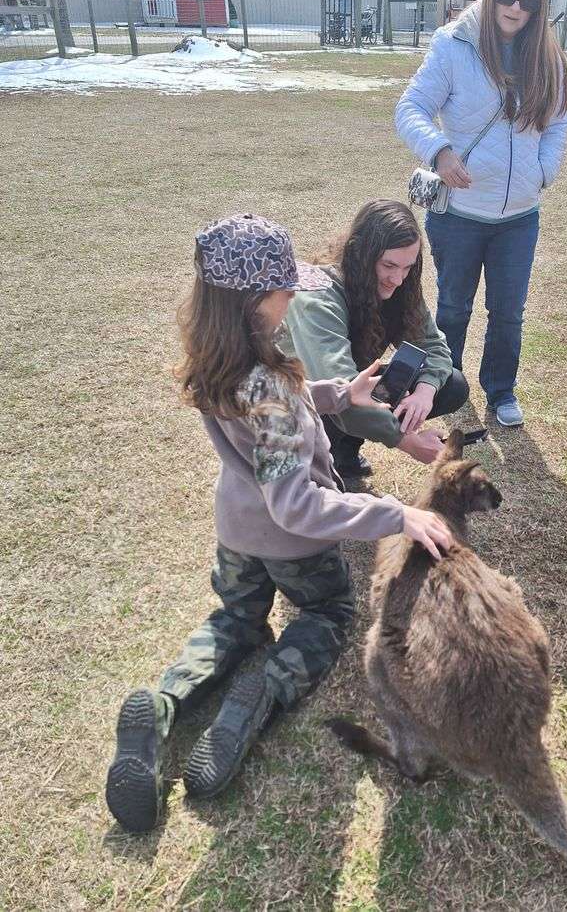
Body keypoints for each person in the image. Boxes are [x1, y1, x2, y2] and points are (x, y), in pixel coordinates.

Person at [105, 214, 451, 833]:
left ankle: (165, 702)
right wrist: (397, 512)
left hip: (235, 533)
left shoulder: (219, 360)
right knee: (328, 615)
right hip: (291, 544)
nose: (295, 296)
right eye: (285, 289)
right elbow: (299, 505)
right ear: (257, 301)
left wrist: (340, 394)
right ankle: (260, 691)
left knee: (235, 617)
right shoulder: (270, 387)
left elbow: (274, 409)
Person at [395, 0, 567, 428]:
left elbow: (558, 122)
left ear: (540, 6)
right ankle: (444, 387)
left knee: (508, 312)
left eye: (528, 0)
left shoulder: (547, 56)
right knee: (453, 306)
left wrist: (543, 171)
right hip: (460, 214)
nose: (515, 8)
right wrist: (440, 151)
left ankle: (501, 389)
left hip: (520, 215)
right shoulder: (454, 45)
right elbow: (409, 108)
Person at [281, 199, 469, 479]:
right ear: (360, 253)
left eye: (407, 268)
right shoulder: (318, 297)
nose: (397, 279)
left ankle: (344, 451)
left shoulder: (401, 286)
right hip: (294, 400)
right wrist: (408, 442)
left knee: (452, 384)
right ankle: (319, 456)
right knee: (344, 400)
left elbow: (434, 346)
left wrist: (424, 392)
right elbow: (339, 390)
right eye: (389, 265)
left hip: (347, 387)